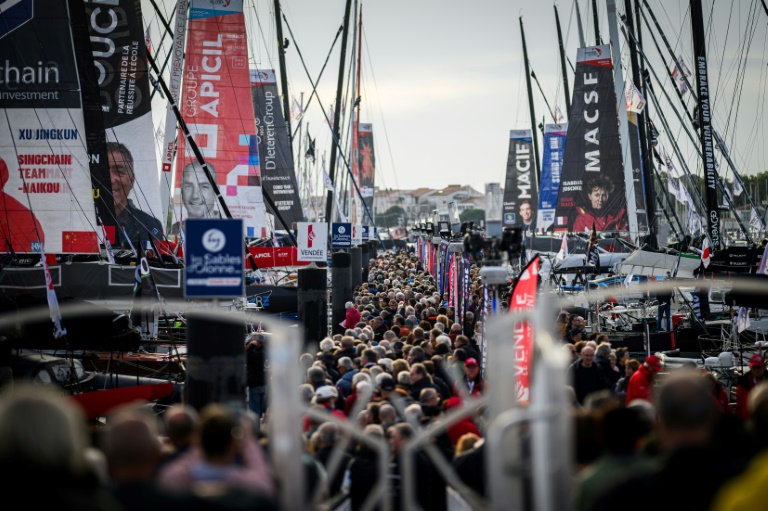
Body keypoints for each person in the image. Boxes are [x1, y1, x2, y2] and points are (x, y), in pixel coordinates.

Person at [107, 141, 165, 247]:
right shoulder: (75, 222)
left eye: (119, 172)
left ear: (132, 180)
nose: (111, 179)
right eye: (103, 171)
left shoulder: (149, 225)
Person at [170, 160, 221, 235]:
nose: (195, 195)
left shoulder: (230, 232)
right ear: (182, 190)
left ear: (216, 192)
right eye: (188, 186)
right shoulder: (174, 230)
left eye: (204, 187)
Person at [246, 333, 268, 430]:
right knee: (263, 411)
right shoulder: (265, 352)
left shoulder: (255, 354)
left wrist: (251, 346)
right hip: (264, 385)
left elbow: (247, 357)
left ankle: (256, 431)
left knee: (255, 412)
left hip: (255, 385)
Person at [735, 353, 767, 420]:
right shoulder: (743, 385)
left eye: (759, 367)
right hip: (748, 423)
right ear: (750, 368)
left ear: (763, 368)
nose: (756, 370)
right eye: (754, 367)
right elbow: (739, 407)